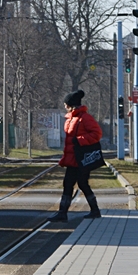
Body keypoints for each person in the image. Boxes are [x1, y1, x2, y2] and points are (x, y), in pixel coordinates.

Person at [54, 89, 102, 221]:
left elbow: (96, 134)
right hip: (72, 158)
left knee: (81, 183)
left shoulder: (85, 118)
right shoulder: (71, 119)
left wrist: (80, 140)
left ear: (71, 105)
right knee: (70, 184)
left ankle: (93, 210)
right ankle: (64, 212)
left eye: (66, 104)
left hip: (81, 159)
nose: (64, 106)